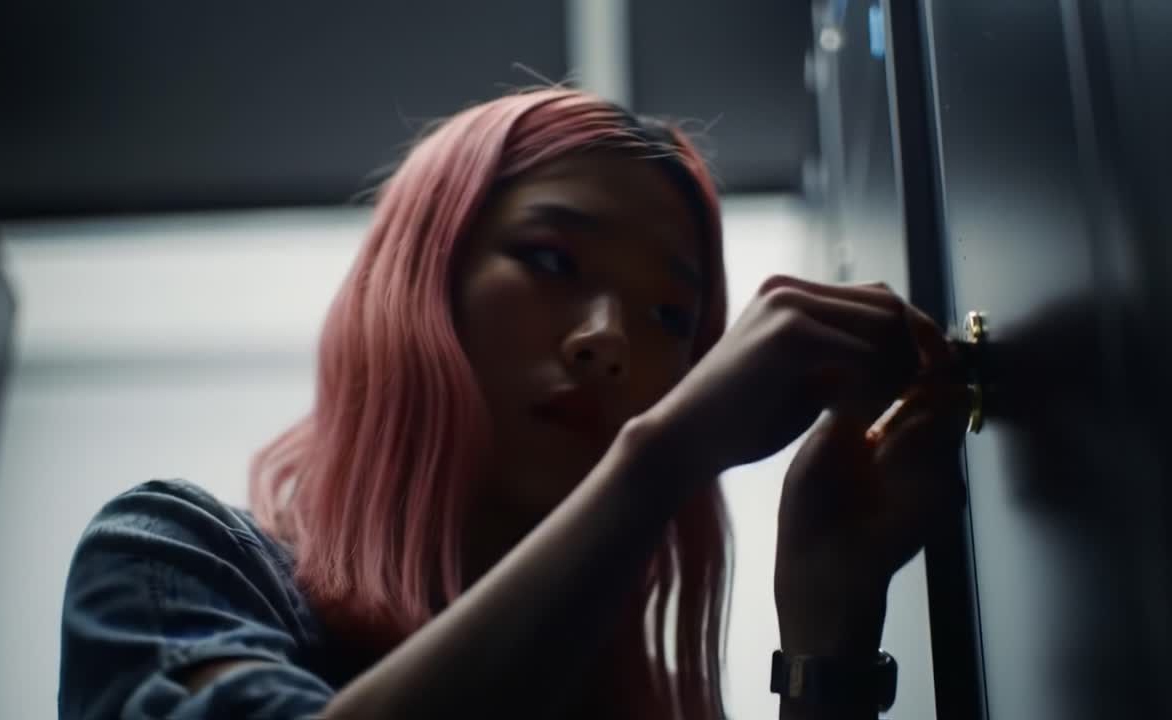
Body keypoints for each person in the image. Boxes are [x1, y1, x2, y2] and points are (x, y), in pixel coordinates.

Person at [58, 86, 969, 720]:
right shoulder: (175, 561)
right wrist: (659, 459)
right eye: (553, 260)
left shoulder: (637, 698)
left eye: (669, 315)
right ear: (423, 283)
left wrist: (828, 618)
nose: (611, 338)